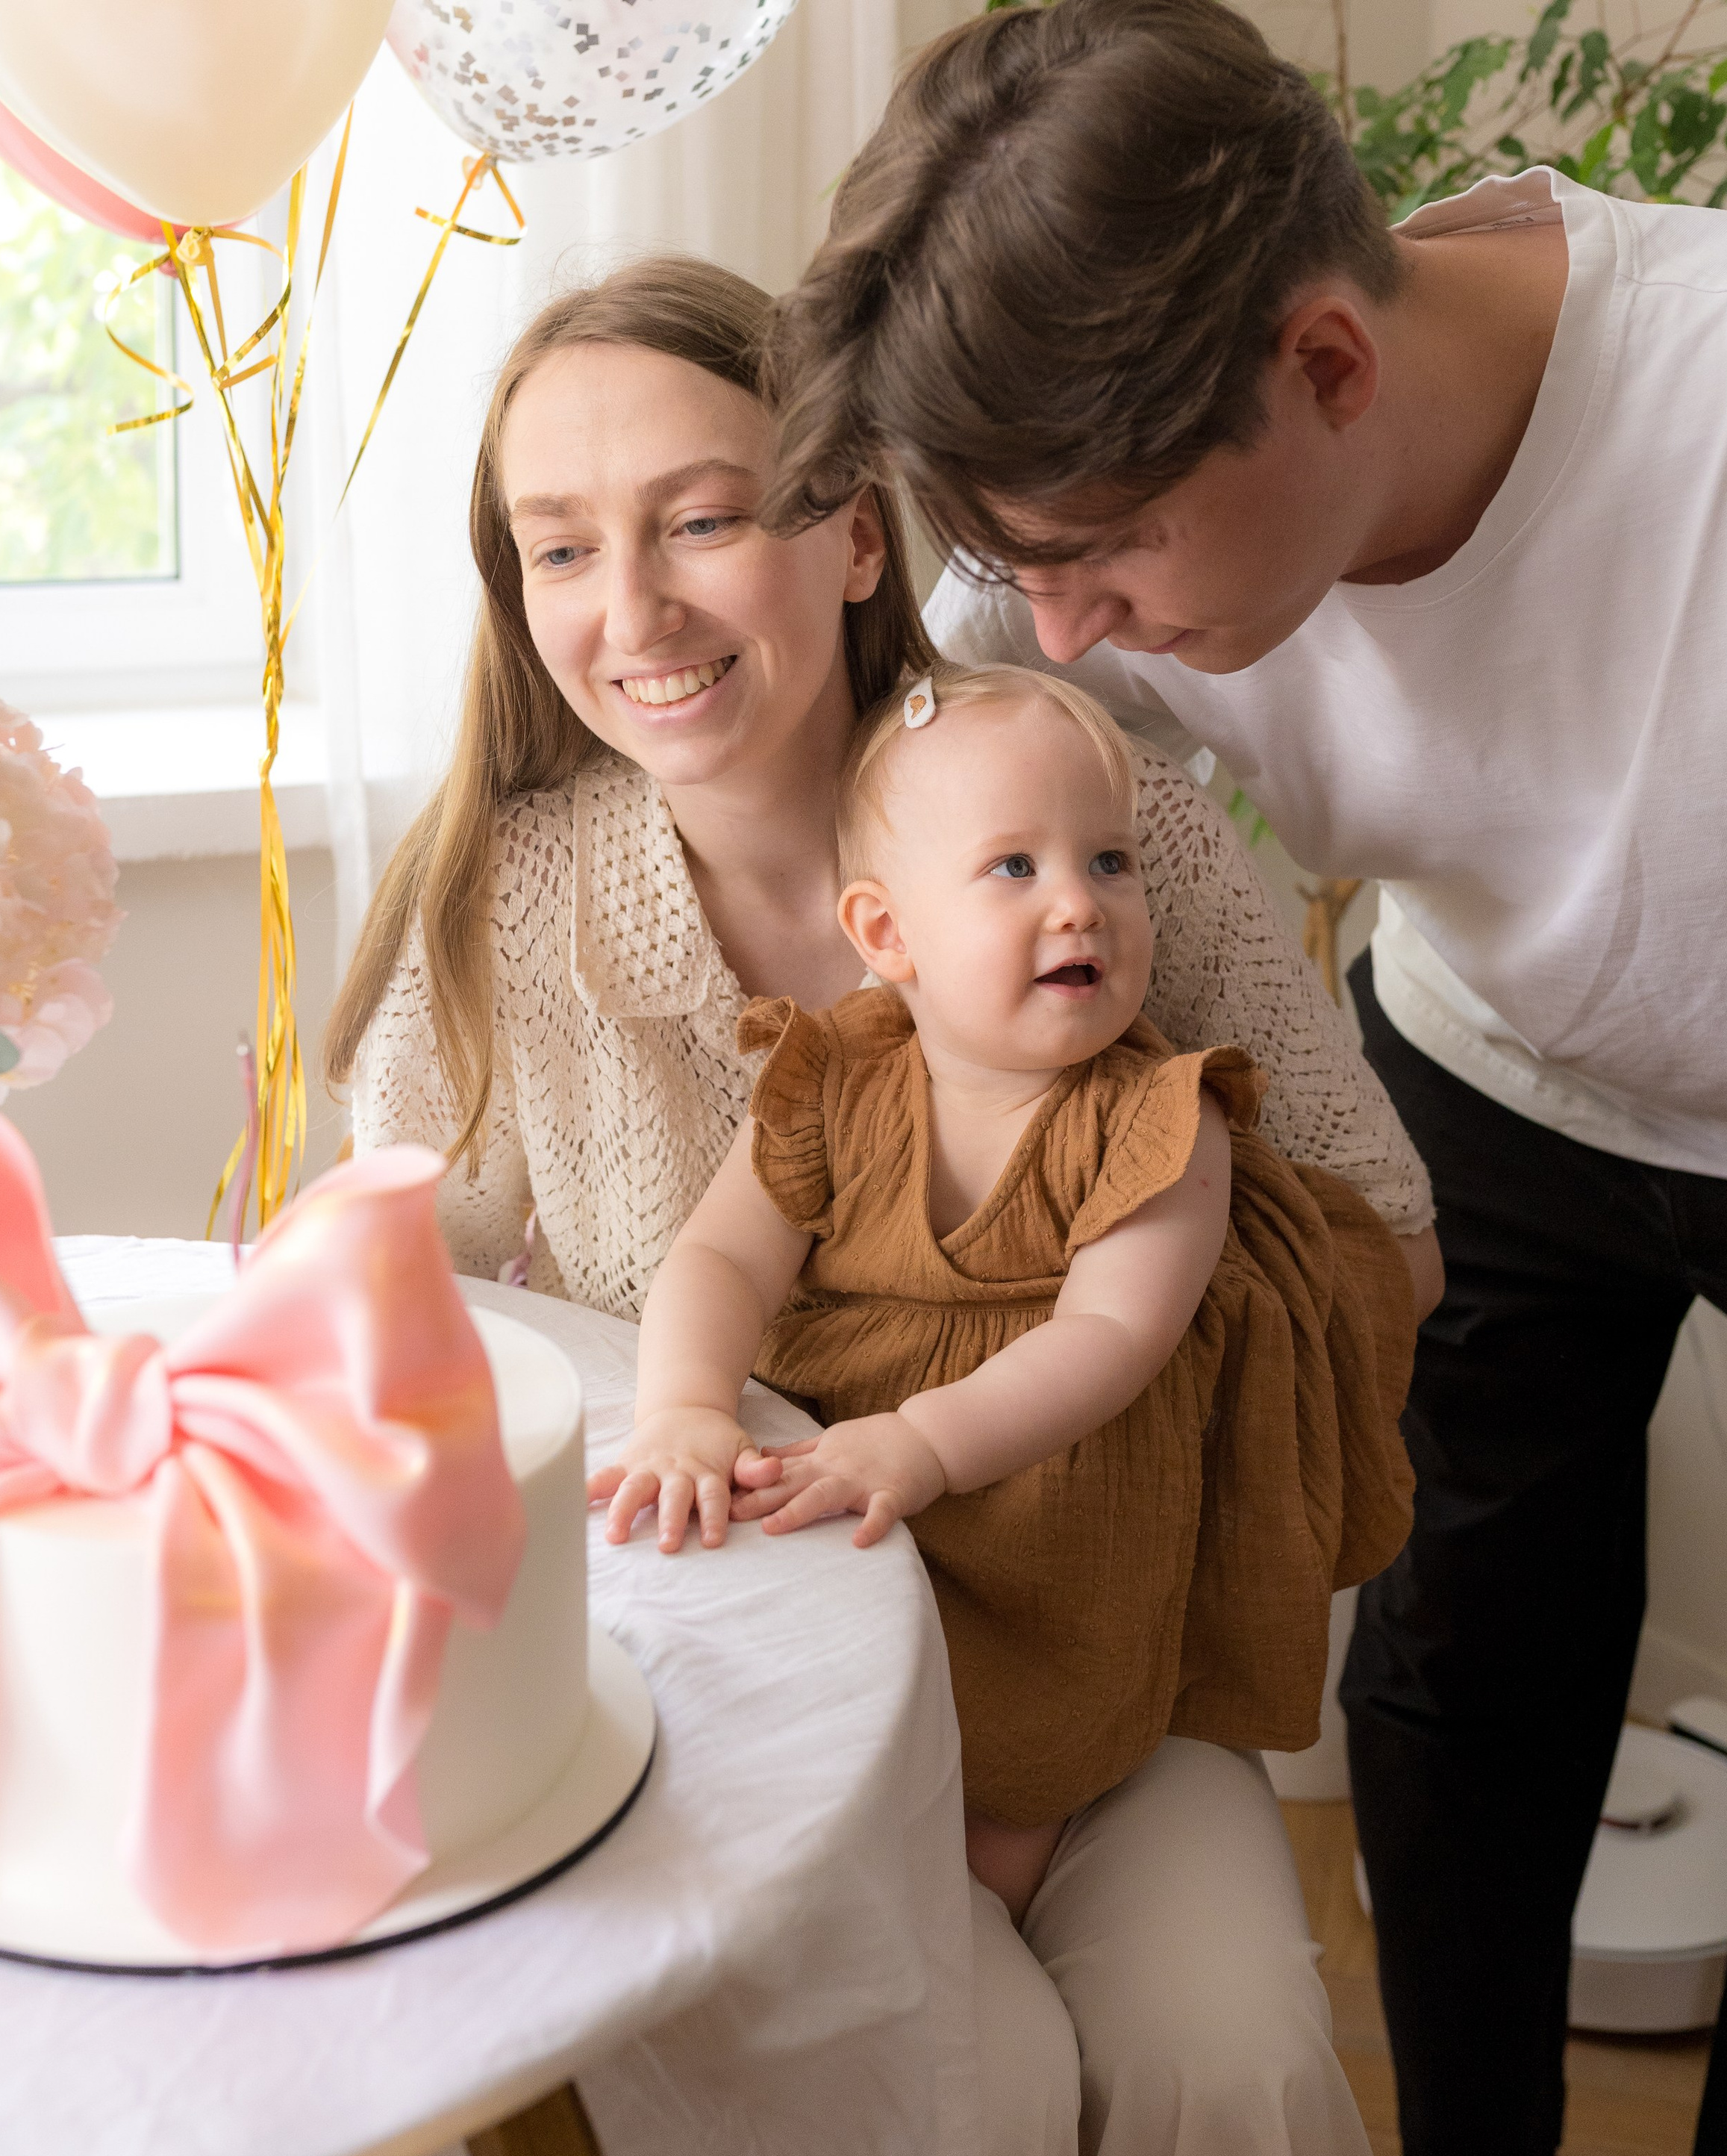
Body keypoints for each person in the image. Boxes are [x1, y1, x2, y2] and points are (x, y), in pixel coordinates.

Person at [761, 0, 1727, 2156]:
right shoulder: (1086, 509)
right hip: (1499, 1071)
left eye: (1110, 561)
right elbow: (884, 746)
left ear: (1330, 370)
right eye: (1022, 563)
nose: (1063, 630)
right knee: (1460, 1648)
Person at [329, 255, 1438, 2156]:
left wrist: (1127, 1285)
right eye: (559, 548)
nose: (629, 614)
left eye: (700, 517)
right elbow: (386, 1300)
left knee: (1228, 2058)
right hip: (751, 1694)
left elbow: (1383, 1223)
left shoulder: (1099, 832)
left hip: (1105, 1646)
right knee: (973, 2082)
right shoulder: (516, 907)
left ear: (851, 527)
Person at [592, 663, 1417, 1925]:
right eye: (1015, 870)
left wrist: (925, 1442)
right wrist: (686, 1407)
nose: (1081, 905)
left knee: (988, 1834)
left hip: (1048, 1525)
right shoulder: (834, 1080)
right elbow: (719, 1258)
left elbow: (1114, 1334)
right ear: (886, 935)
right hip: (853, 1499)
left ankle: (1001, 1902)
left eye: (1111, 862)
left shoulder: (1159, 1119)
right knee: (771, 1748)